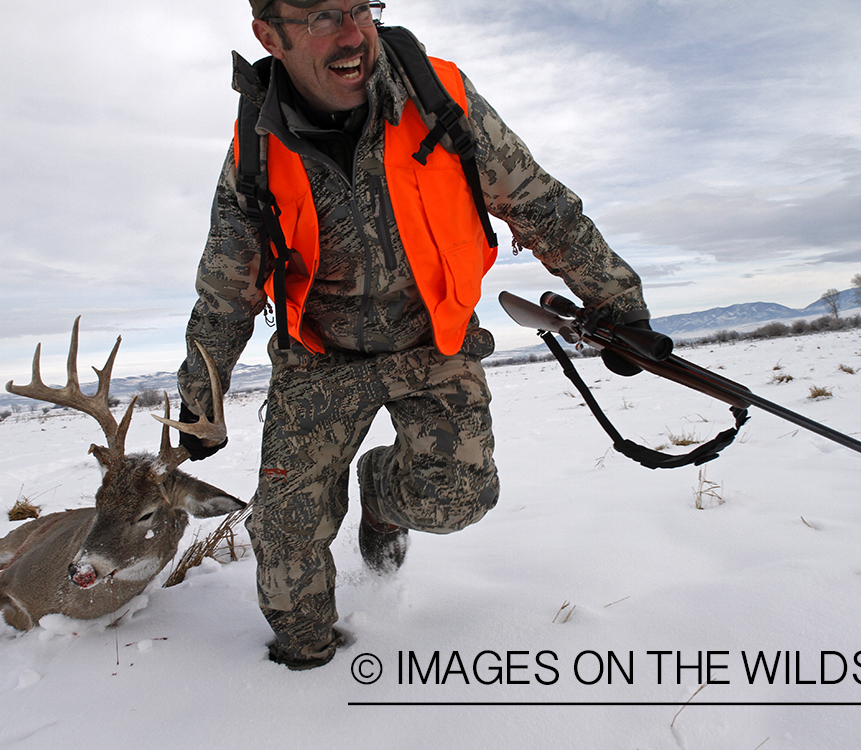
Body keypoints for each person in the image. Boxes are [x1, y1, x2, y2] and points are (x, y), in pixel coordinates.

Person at [176, 0, 650, 670]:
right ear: (268, 36)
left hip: (432, 339)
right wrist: (201, 400)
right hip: (320, 356)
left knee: (455, 499)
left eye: (359, 6)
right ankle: (303, 674)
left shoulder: (440, 99)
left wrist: (616, 301)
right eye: (319, 17)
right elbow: (226, 293)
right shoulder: (255, 149)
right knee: (286, 555)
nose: (351, 32)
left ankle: (379, 490)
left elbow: (537, 202)